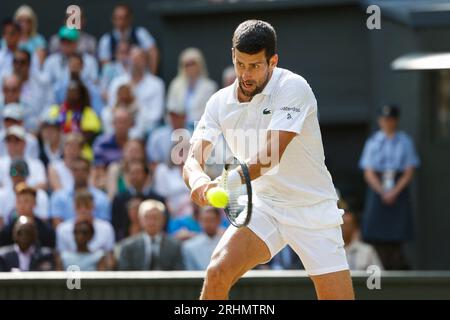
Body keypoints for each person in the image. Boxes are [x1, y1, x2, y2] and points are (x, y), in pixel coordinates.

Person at [183, 20, 354, 300]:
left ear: (273, 61)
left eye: (255, 66)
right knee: (217, 273)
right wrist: (200, 182)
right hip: (265, 206)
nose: (246, 74)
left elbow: (269, 157)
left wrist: (228, 181)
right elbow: (192, 160)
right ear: (232, 56)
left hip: (312, 208)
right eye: (240, 64)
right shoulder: (218, 103)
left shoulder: (293, 87)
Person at [359, 104, 420, 270]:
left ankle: (398, 268)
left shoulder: (405, 141)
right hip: (378, 189)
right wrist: (382, 191)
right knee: (376, 234)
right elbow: (368, 172)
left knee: (397, 234)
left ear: (396, 121)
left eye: (391, 119)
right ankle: (379, 269)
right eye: (384, 119)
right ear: (380, 121)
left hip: (397, 189)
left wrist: (394, 191)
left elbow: (408, 171)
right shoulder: (373, 141)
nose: (387, 123)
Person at [108, 47, 164, 136]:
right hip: (121, 125)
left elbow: (156, 114)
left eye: (139, 59)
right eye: (133, 59)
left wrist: (138, 113)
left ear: (146, 61)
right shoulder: (117, 82)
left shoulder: (157, 84)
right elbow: (112, 107)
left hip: (146, 129)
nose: (136, 62)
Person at [117, 200, 183, 270]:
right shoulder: (128, 246)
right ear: (140, 219)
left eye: (155, 218)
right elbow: (125, 274)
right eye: (147, 217)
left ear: (163, 220)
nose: (151, 222)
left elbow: (179, 273)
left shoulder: (175, 245)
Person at [111, 159, 165, 241]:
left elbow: (163, 225)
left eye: (138, 173)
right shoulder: (119, 199)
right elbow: (116, 226)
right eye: (132, 173)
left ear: (146, 175)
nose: (134, 176)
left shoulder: (157, 199)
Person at [98, 3, 159, 74]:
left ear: (130, 18)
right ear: (113, 19)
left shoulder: (140, 33)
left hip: (140, 77)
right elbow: (105, 65)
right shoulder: (106, 39)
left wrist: (151, 77)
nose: (121, 22)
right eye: (117, 18)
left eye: (124, 18)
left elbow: (153, 53)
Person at [167, 48, 218, 129]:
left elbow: (209, 113)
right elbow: (171, 108)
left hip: (199, 127)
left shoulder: (209, 86)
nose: (190, 67)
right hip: (176, 127)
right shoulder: (176, 85)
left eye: (193, 63)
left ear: (200, 64)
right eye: (187, 64)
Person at [50, 157, 110, 226]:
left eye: (83, 170)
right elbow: (58, 226)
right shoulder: (58, 196)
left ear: (89, 172)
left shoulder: (101, 198)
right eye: (76, 170)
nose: (79, 173)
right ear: (71, 172)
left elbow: (104, 225)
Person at [55, 189, 114, 257]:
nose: (83, 210)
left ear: (93, 206)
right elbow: (61, 257)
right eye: (79, 206)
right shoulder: (62, 229)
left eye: (87, 206)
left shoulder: (106, 228)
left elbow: (110, 255)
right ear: (74, 207)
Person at [9, 49, 54, 132]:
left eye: (22, 62)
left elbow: (50, 105)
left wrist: (41, 124)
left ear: (29, 64)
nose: (18, 66)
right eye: (15, 62)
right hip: (10, 132)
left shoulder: (42, 83)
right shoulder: (5, 82)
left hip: (37, 130)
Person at [0, 182, 54, 248]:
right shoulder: (7, 232)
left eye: (26, 201)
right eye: (19, 201)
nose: (22, 206)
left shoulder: (46, 231)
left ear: (34, 203)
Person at [0, 159, 49, 227]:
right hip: (10, 234)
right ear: (9, 174)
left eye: (22, 172)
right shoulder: (1, 195)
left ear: (27, 174)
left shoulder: (40, 195)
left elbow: (42, 224)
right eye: (14, 172)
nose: (17, 176)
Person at [0, 125, 46, 190]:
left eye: (17, 140)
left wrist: (22, 193)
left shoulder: (36, 164)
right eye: (9, 141)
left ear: (24, 143)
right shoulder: (0, 163)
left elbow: (42, 184)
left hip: (29, 198)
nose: (13, 144)